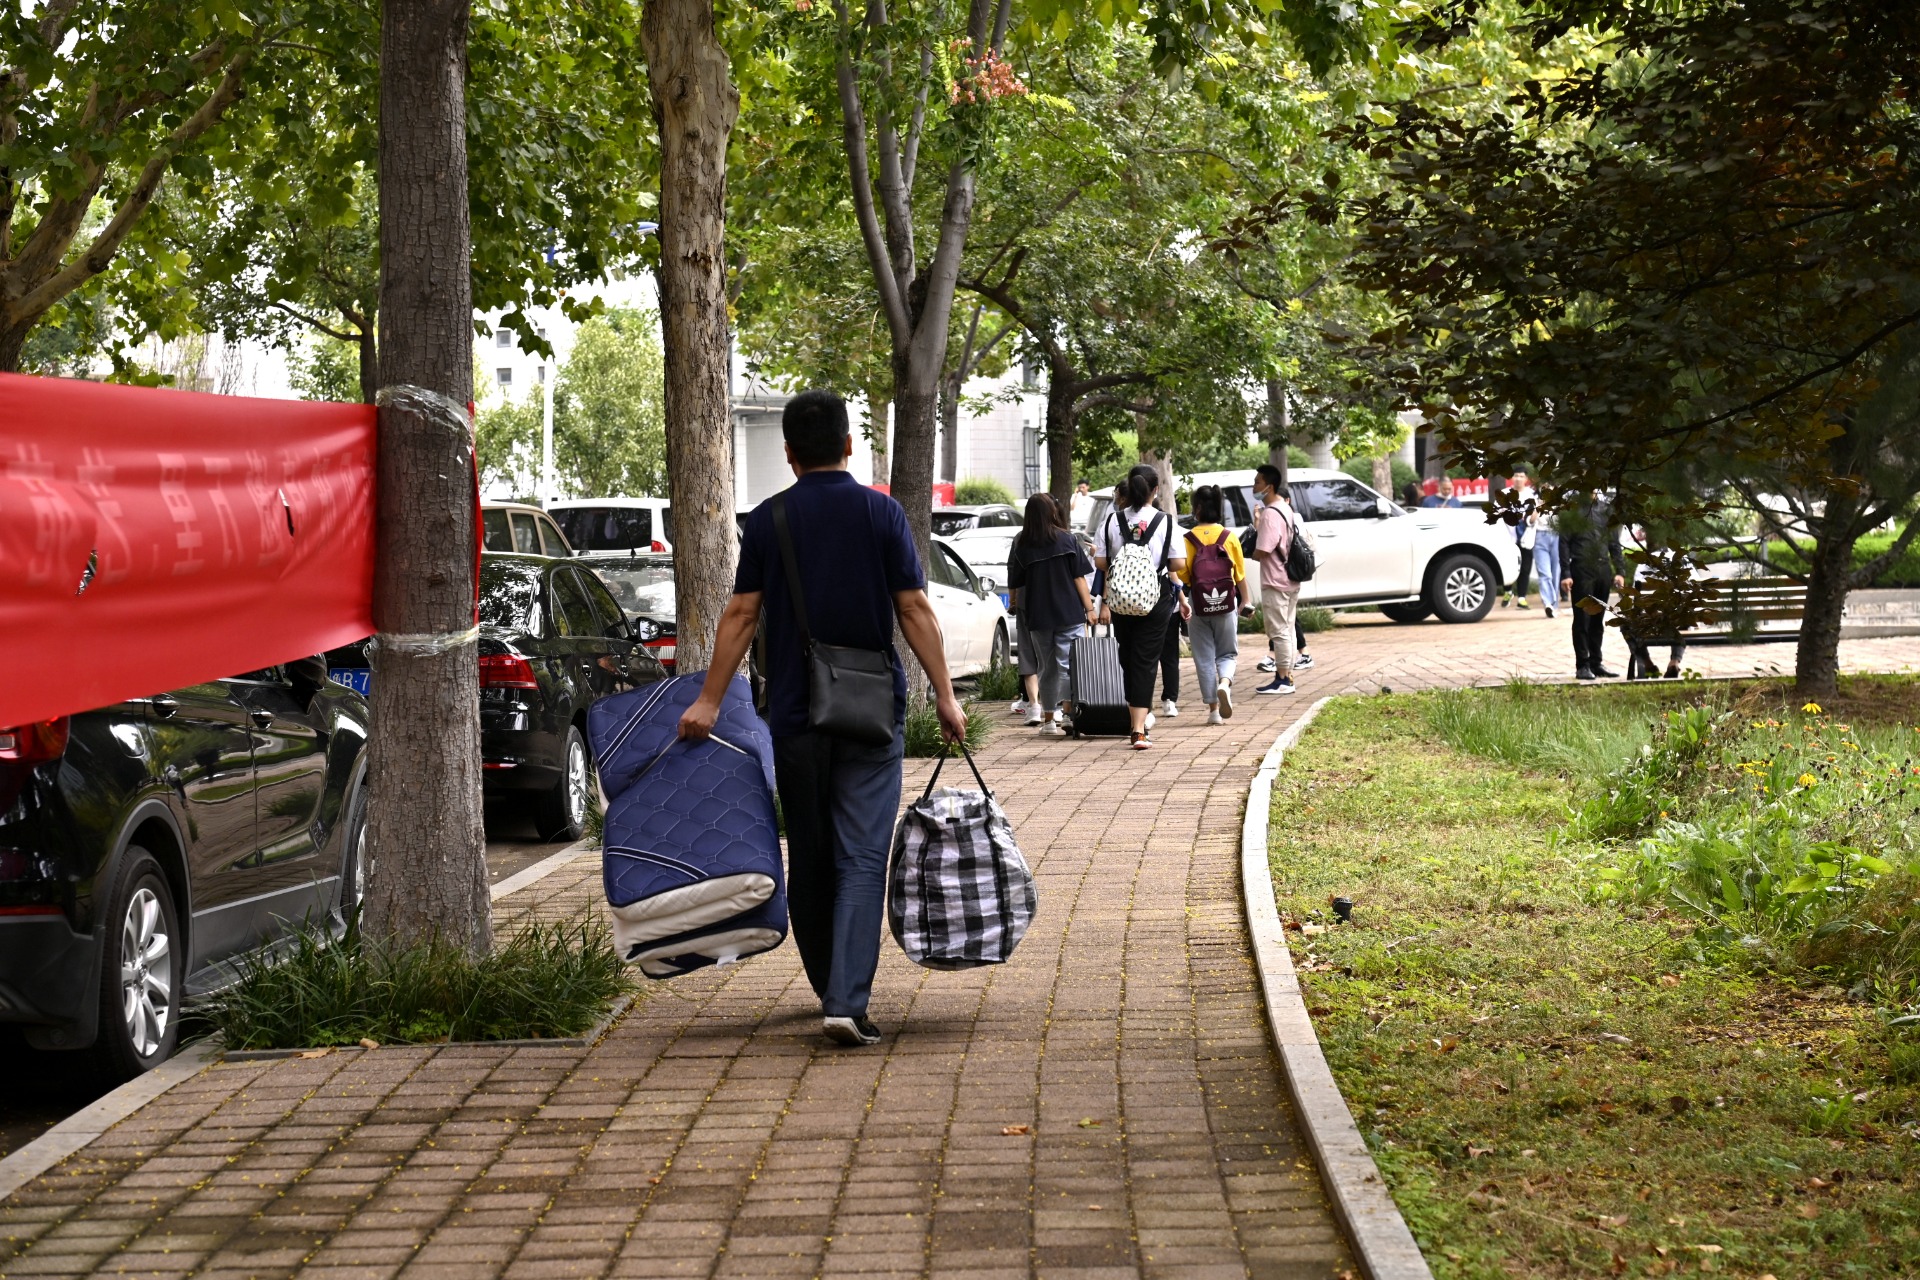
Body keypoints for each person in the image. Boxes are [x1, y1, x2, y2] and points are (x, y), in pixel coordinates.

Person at [678, 390, 966, 1048]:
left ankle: (827, 985)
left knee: (810, 854)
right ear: (848, 446)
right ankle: (846, 996)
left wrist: (708, 701)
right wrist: (945, 696)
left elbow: (741, 615)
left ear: (788, 454)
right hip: (870, 711)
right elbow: (915, 611)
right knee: (862, 856)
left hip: (798, 716)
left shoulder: (770, 520)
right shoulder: (881, 513)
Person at [1093, 465, 1185, 749]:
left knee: (1128, 658)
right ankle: (1138, 730)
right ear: (1155, 490)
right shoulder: (1166, 522)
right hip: (1155, 599)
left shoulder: (1111, 521)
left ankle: (1136, 721)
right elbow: (1178, 563)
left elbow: (1100, 562)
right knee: (1145, 661)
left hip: (1120, 599)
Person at [1006, 493, 1096, 735]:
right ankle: (1067, 714)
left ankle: (1048, 721)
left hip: (1038, 615)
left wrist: (1014, 602)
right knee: (1068, 666)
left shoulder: (1023, 545)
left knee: (1047, 668)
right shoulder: (1067, 539)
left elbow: (1016, 581)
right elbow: (1079, 577)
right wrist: (1090, 608)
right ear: (1051, 512)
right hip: (1069, 612)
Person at [1178, 485, 1252, 725]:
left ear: (1197, 509)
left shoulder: (1188, 539)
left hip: (1199, 605)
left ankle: (1213, 711)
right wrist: (1246, 601)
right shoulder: (1229, 537)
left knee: (1203, 657)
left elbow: (1184, 575)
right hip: (1227, 602)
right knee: (1228, 652)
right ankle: (1225, 683)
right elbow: (1239, 574)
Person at [1558, 490, 1627, 680]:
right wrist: (1566, 574)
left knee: (1598, 619)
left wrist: (1620, 571)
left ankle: (1596, 663)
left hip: (1603, 568)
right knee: (1582, 619)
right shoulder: (1571, 511)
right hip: (1581, 568)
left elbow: (1614, 542)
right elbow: (1563, 543)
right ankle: (1582, 665)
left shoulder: (1606, 511)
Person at [1250, 464, 1304, 695]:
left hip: (1275, 579)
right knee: (1288, 628)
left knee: (1279, 630)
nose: (1254, 487)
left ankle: (1282, 678)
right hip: (1289, 578)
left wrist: (1252, 550)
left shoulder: (1271, 512)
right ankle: (1286, 675)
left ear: (1268, 486)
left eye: (1257, 483)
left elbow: (1264, 548)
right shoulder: (1285, 508)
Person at [1501, 470, 1534, 608]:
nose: (1518, 479)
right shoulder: (1504, 493)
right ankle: (1508, 592)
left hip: (1526, 537)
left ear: (1526, 478)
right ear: (1512, 477)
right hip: (1508, 538)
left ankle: (1521, 598)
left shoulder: (1531, 495)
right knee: (1508, 565)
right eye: (1516, 475)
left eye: (1521, 476)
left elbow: (1534, 514)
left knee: (1525, 568)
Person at [1532, 503, 1560, 619]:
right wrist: (1539, 506)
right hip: (1540, 536)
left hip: (1557, 535)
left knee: (1555, 573)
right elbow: (1530, 520)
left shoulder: (1560, 497)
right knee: (1544, 573)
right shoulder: (1534, 499)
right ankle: (1548, 603)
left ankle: (1554, 605)